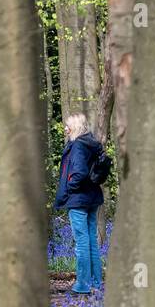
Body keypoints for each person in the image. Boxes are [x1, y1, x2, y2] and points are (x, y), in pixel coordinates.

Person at [54, 113, 104, 294]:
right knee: (91, 242)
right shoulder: (91, 144)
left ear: (74, 128)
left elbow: (79, 173)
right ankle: (96, 284)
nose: (65, 129)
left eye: (67, 126)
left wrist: (68, 190)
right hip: (92, 199)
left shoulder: (77, 146)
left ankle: (82, 285)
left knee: (81, 243)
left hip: (79, 200)